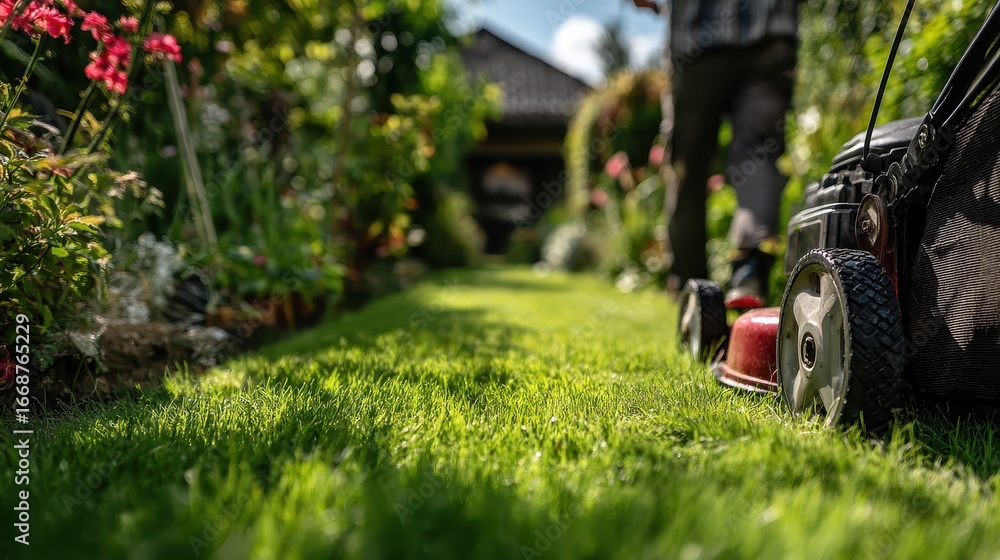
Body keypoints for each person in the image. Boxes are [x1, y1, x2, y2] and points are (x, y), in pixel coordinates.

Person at [632, 0, 800, 304]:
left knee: (687, 169)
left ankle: (691, 291)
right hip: (770, 28)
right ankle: (749, 269)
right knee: (759, 153)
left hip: (697, 36)